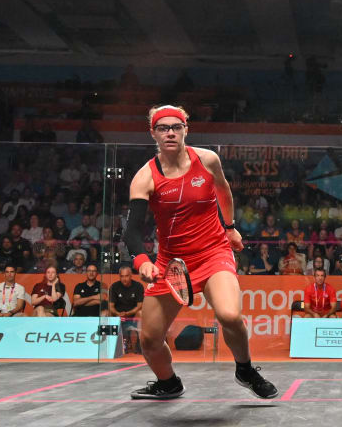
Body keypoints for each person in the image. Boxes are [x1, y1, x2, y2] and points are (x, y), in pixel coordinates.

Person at [124, 105, 277, 399]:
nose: (170, 132)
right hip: (171, 263)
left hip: (213, 252)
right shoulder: (145, 177)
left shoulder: (207, 160)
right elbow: (131, 231)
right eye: (163, 128)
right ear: (153, 133)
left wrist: (230, 228)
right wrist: (143, 261)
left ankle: (245, 370)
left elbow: (223, 190)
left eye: (176, 127)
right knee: (150, 340)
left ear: (185, 130)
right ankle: (168, 383)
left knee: (230, 315)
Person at [109, 265, 145, 353]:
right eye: (122, 276)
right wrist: (118, 314)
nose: (124, 279)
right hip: (118, 315)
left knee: (141, 313)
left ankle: (140, 343)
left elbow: (139, 306)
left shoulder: (138, 286)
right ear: (119, 276)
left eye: (126, 276)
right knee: (107, 313)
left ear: (131, 275)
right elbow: (111, 306)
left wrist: (127, 313)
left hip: (133, 315)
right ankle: (110, 344)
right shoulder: (114, 287)